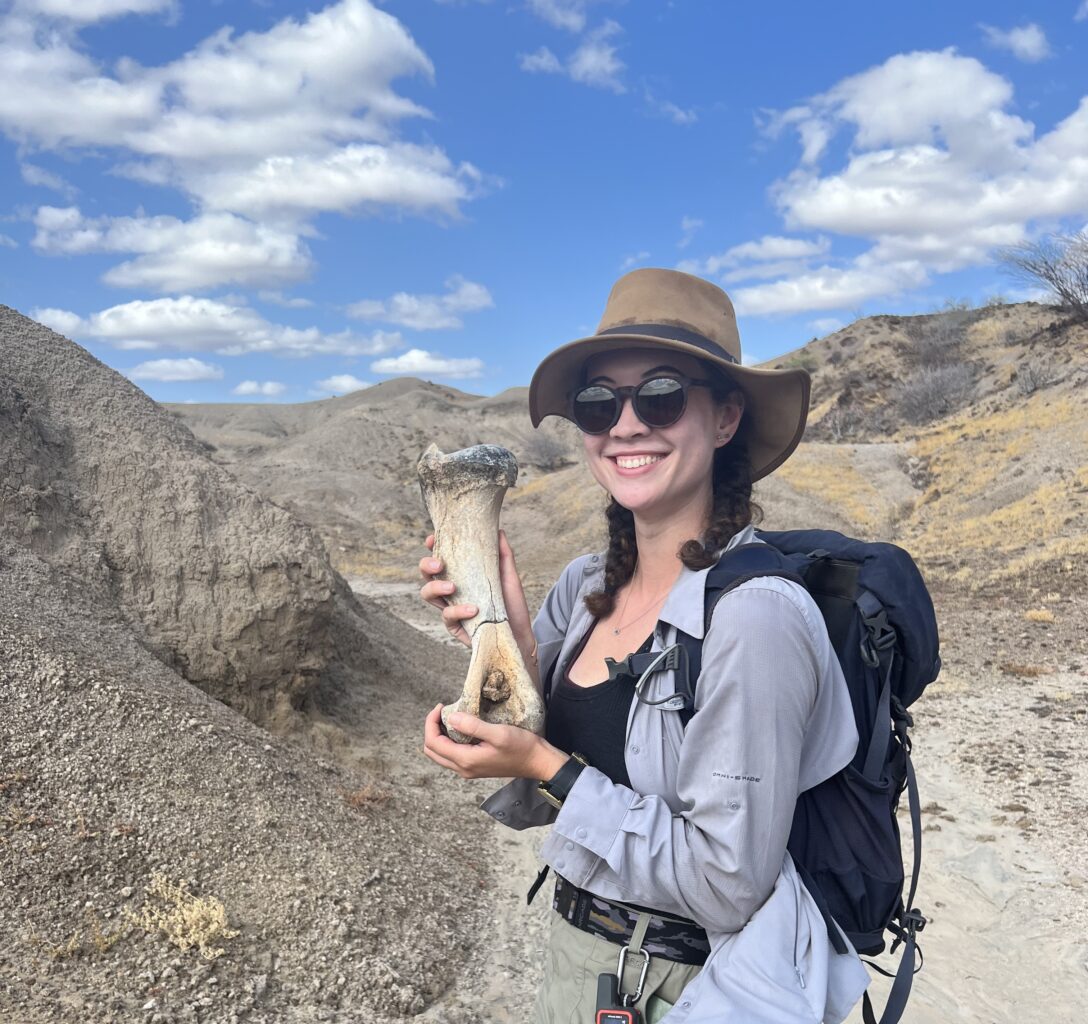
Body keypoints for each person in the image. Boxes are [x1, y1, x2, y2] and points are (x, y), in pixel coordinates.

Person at [419, 268, 870, 1023]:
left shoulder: (756, 620)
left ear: (725, 418)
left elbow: (729, 881)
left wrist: (543, 767)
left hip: (688, 992)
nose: (625, 424)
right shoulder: (585, 585)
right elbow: (571, 742)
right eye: (599, 404)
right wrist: (503, 637)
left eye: (660, 394)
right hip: (581, 964)